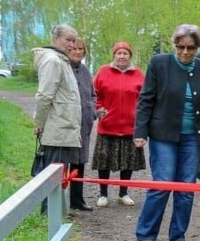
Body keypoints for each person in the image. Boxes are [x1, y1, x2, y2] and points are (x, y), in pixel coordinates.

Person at [133, 25, 200, 241]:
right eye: (181, 47)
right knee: (163, 183)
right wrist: (140, 132)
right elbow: (146, 99)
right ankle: (146, 234)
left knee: (186, 188)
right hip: (163, 135)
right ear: (175, 46)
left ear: (197, 47)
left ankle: (177, 236)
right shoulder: (160, 63)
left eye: (190, 47)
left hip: (193, 137)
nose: (185, 52)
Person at [32, 25, 81, 214]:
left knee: (60, 173)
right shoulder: (53, 60)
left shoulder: (62, 61)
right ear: (56, 38)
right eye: (68, 40)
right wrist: (40, 123)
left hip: (64, 126)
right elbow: (44, 96)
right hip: (57, 127)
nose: (72, 44)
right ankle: (49, 214)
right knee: (53, 174)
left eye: (74, 40)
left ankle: (56, 212)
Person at [92, 41, 146, 208]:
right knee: (104, 161)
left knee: (127, 162)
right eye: (119, 53)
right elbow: (95, 94)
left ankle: (123, 193)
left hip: (130, 126)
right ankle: (103, 194)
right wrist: (100, 109)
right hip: (108, 125)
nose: (122, 56)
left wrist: (140, 118)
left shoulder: (138, 74)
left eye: (125, 53)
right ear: (114, 55)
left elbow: (144, 98)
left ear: (130, 56)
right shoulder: (103, 72)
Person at [67, 37, 96, 212]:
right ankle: (60, 203)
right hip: (68, 124)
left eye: (80, 49)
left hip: (84, 124)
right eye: (74, 49)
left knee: (79, 163)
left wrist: (92, 109)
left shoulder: (85, 71)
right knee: (64, 164)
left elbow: (93, 94)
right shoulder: (63, 69)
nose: (77, 52)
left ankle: (77, 199)